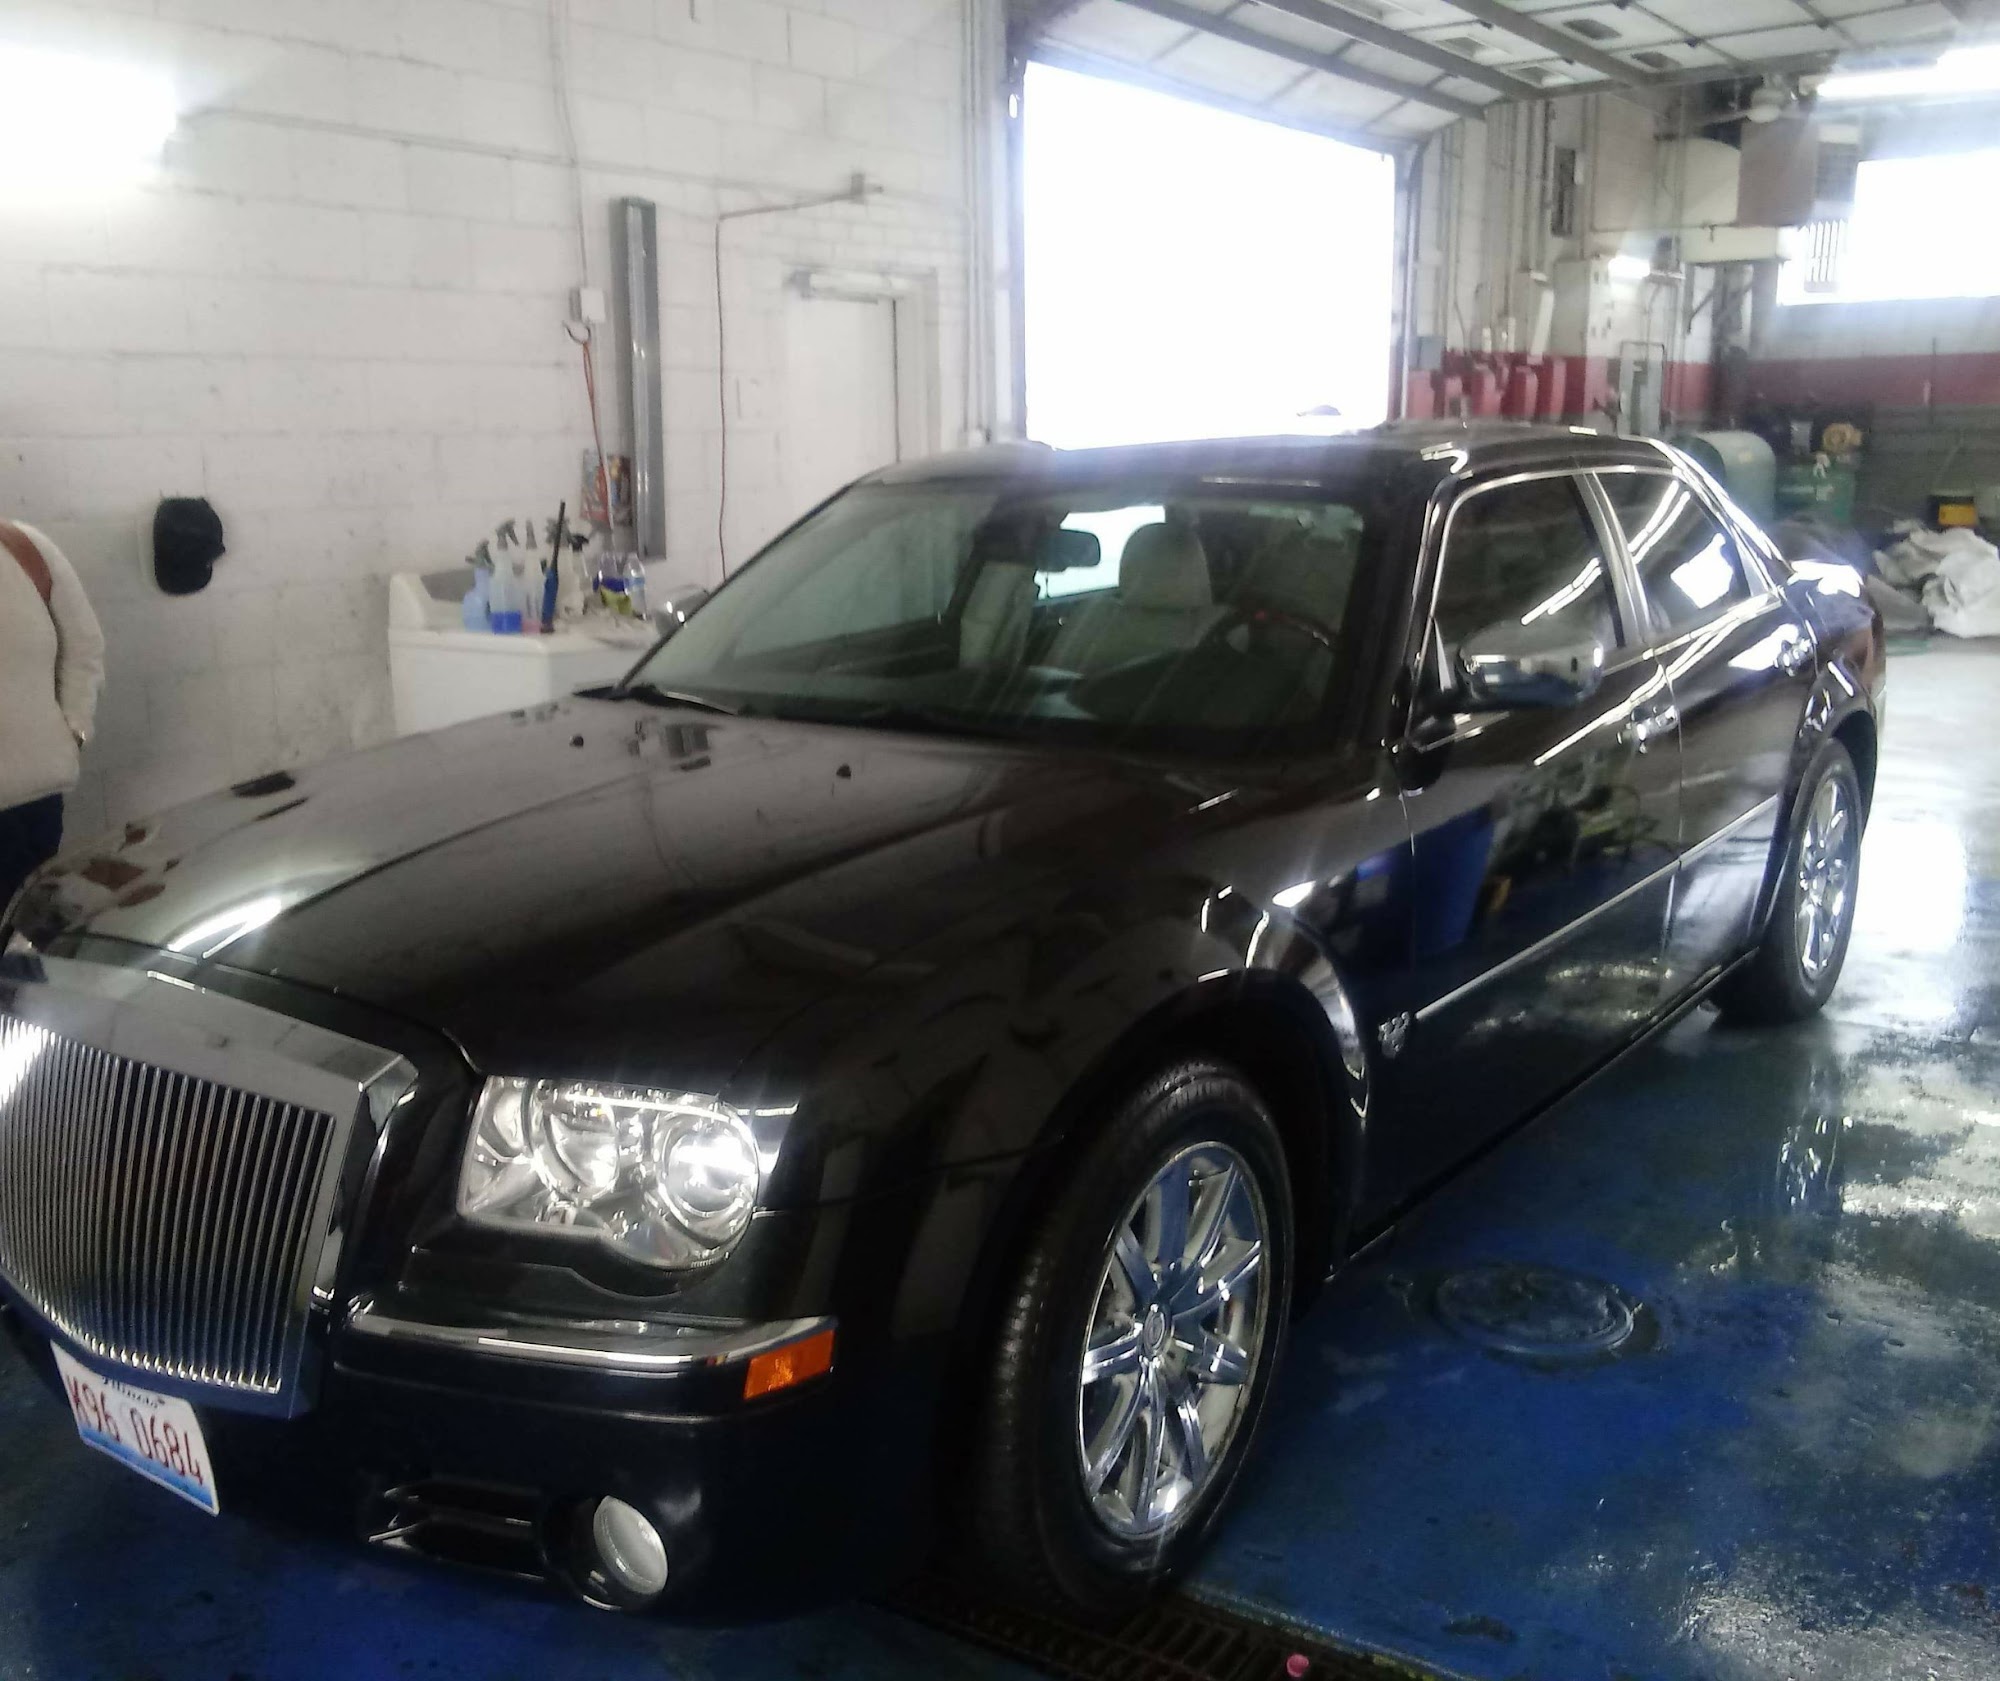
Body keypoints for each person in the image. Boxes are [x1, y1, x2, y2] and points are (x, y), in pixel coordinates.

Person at [1, 520, 105, 915]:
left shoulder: (24, 548)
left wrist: (74, 731)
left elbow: (84, 647)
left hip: (32, 802)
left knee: (28, 930)